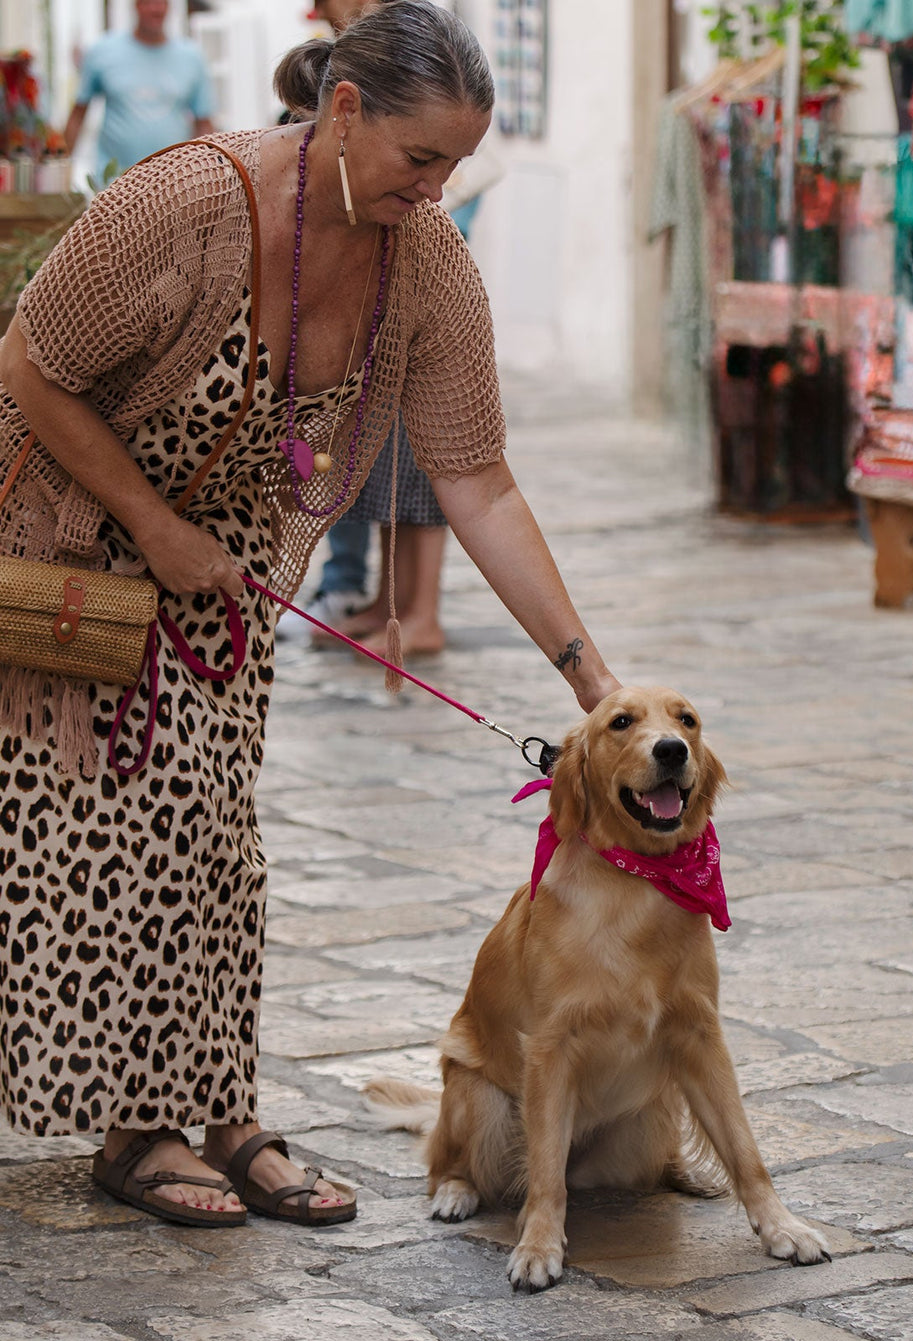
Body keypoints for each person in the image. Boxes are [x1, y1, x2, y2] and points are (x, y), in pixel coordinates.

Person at [0, 2, 619, 1227]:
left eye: (455, 164)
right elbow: (28, 363)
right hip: (69, 531)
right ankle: (140, 1130)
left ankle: (217, 1109)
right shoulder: (180, 203)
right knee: (135, 825)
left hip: (218, 561)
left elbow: (477, 478)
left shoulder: (425, 262)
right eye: (419, 159)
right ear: (343, 111)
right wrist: (156, 527)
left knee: (217, 830)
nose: (435, 190)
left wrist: (590, 682)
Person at [305, 0, 458, 659]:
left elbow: (479, 479)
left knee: (427, 460)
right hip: (374, 301)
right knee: (389, 461)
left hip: (416, 298)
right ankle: (391, 602)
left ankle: (421, 610)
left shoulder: (429, 54)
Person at [64, 0, 215, 186]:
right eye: (147, 2)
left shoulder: (192, 58)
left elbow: (204, 124)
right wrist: (62, 174)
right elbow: (78, 115)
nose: (155, 9)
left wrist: (205, 176)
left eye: (162, 3)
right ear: (135, 5)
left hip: (173, 186)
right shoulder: (102, 52)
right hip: (114, 184)